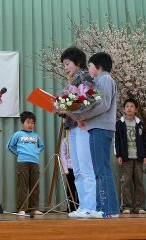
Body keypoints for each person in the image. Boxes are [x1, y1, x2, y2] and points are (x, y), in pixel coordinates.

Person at [70, 52, 120, 218]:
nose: (88, 69)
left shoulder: (105, 79)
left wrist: (82, 116)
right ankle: (101, 207)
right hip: (96, 127)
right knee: (99, 169)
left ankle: (110, 209)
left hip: (101, 127)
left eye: (90, 66)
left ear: (99, 67)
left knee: (102, 169)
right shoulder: (101, 80)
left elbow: (103, 104)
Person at [59, 47, 96, 218]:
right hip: (72, 127)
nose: (65, 67)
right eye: (64, 65)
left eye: (67, 63)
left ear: (78, 62)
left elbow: (91, 102)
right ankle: (83, 205)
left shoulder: (87, 77)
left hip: (83, 126)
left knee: (86, 168)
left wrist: (69, 107)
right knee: (78, 170)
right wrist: (60, 107)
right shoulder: (72, 81)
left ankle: (92, 206)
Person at [6, 111, 45, 215]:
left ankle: (34, 208)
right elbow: (9, 146)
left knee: (35, 187)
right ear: (22, 123)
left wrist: (36, 152)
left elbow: (41, 146)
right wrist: (18, 154)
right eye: (28, 122)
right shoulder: (18, 134)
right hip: (22, 163)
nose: (30, 125)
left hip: (35, 163)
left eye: (32, 123)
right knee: (22, 187)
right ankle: (22, 209)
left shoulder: (36, 136)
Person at [115, 98, 146, 214]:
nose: (129, 108)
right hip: (125, 158)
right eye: (127, 106)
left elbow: (144, 140)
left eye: (132, 106)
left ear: (136, 110)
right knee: (126, 182)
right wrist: (118, 155)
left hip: (138, 158)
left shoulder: (140, 124)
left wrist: (145, 155)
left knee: (139, 181)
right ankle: (126, 206)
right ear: (124, 109)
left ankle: (139, 206)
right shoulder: (119, 123)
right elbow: (117, 141)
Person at [60, 130, 78, 212]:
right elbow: (63, 155)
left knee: (79, 188)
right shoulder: (65, 140)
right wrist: (65, 169)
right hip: (70, 168)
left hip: (79, 168)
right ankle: (71, 207)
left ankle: (80, 206)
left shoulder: (79, 139)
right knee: (70, 188)